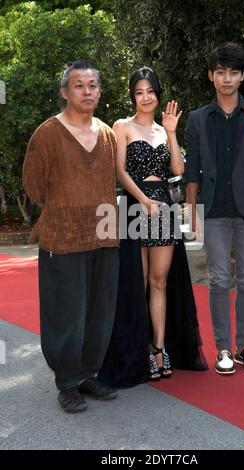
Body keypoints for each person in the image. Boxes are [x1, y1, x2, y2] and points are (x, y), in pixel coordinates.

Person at [100, 66, 208, 388]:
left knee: (160, 282)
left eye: (150, 91)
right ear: (133, 96)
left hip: (163, 208)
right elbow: (119, 171)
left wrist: (172, 134)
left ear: (158, 94)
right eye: (139, 92)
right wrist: (142, 200)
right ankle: (138, 349)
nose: (145, 97)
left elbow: (177, 170)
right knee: (139, 282)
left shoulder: (164, 130)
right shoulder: (122, 126)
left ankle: (159, 349)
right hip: (134, 207)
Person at [23, 59, 119, 412]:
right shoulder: (47, 133)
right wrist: (65, 209)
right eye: (79, 85)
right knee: (66, 313)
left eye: (93, 85)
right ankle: (66, 382)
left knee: (99, 312)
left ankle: (88, 373)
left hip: (104, 236)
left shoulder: (108, 133)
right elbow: (33, 186)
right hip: (62, 239)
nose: (87, 91)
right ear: (65, 92)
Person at [184, 42, 244, 375]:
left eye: (234, 73)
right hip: (213, 212)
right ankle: (223, 349)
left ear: (242, 77)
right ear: (211, 76)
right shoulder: (197, 119)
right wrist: (192, 213)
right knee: (219, 281)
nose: (227, 79)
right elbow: (192, 170)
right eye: (221, 72)